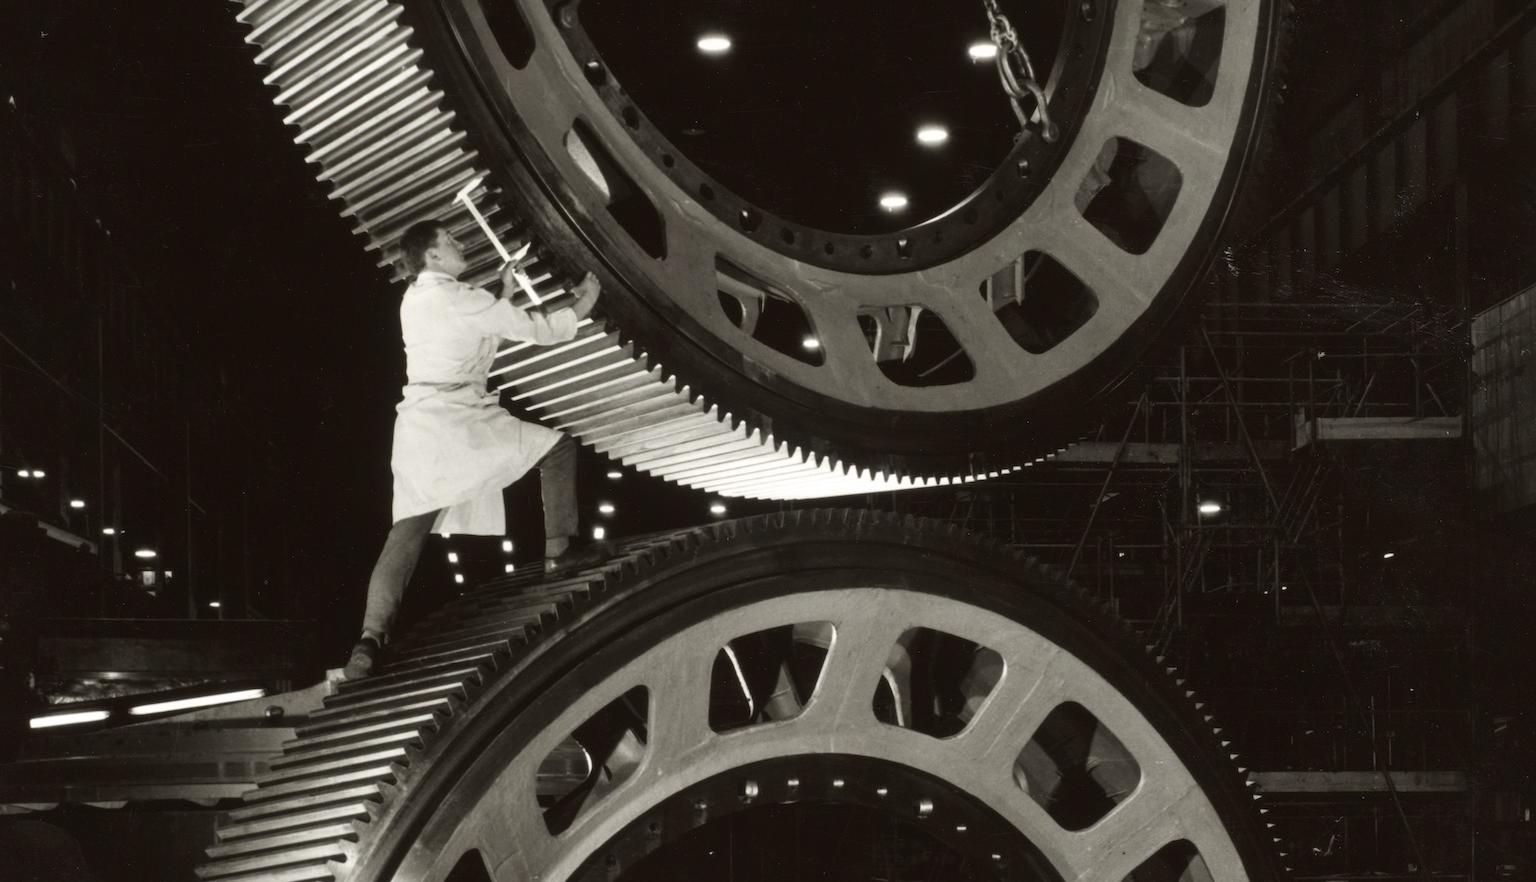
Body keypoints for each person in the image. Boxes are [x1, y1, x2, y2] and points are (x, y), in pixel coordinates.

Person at [343, 219, 604, 680]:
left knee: (406, 533)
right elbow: (537, 330)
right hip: (460, 419)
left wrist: (501, 291)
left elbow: (479, 331)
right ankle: (560, 550)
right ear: (433, 257)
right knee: (558, 449)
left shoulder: (417, 299)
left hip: (421, 423)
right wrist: (582, 303)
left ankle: (368, 640)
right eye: (450, 241)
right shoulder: (462, 299)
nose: (461, 244)